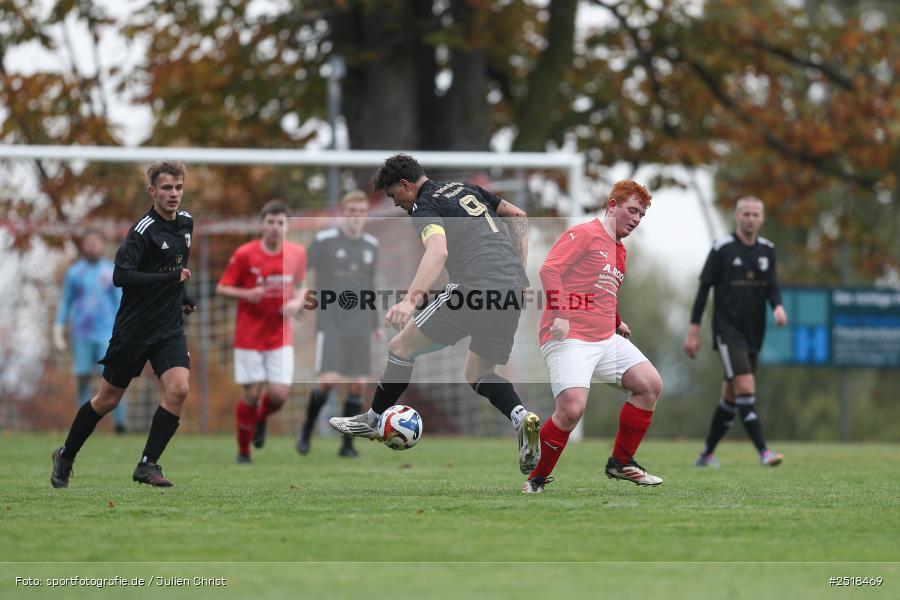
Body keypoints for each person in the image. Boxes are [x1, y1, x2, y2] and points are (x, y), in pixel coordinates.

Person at [329, 153, 541, 474]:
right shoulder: (464, 188)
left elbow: (437, 250)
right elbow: (518, 215)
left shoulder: (423, 206)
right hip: (511, 289)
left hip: (474, 286)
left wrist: (409, 301)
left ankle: (374, 419)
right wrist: (519, 273)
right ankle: (521, 416)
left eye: (393, 195)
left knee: (400, 347)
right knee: (478, 373)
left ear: (405, 185)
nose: (396, 204)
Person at [51, 161, 196, 488]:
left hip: (169, 327)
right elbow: (121, 276)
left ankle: (148, 464)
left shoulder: (186, 223)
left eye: (178, 187)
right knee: (107, 400)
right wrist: (169, 279)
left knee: (179, 388)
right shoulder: (142, 230)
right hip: (134, 329)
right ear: (152, 191)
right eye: (166, 188)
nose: (173, 194)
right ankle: (66, 454)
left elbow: (175, 265)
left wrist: (181, 294)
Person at [522, 180, 663, 493]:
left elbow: (601, 291)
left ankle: (622, 462)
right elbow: (550, 271)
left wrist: (616, 321)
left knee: (649, 385)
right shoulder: (584, 233)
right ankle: (535, 480)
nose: (636, 219)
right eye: (632, 210)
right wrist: (560, 314)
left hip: (604, 339)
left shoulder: (620, 251)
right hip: (568, 336)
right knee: (572, 409)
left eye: (641, 215)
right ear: (612, 205)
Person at [684, 196, 787, 468]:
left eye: (755, 214)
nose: (750, 218)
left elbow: (772, 285)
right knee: (745, 385)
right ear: (737, 216)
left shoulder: (767, 250)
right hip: (727, 332)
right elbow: (704, 289)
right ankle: (764, 452)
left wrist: (778, 307)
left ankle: (706, 454)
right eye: (746, 214)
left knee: (731, 397)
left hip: (754, 332)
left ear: (761, 218)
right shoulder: (722, 248)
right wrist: (693, 330)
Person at [217, 200, 307, 464]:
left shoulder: (297, 253)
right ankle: (243, 452)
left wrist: (296, 302)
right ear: (261, 225)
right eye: (270, 222)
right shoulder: (245, 254)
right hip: (249, 335)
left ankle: (259, 420)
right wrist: (246, 293)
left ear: (287, 227)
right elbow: (222, 288)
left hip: (280, 334)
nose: (275, 228)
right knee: (252, 393)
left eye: (280, 223)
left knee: (278, 395)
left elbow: (302, 285)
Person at [297, 190, 381, 458]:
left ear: (365, 215)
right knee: (328, 381)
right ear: (343, 214)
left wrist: (375, 323)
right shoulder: (324, 241)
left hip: (360, 324)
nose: (356, 217)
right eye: (351, 212)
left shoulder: (371, 245)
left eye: (361, 212)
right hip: (330, 321)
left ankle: (347, 443)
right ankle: (307, 429)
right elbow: (301, 270)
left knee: (357, 384)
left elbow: (369, 286)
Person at [54, 228, 127, 433]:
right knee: (83, 377)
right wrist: (59, 326)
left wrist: (122, 330)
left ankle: (120, 424)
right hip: (81, 335)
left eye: (96, 242)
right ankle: (83, 426)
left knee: (113, 378)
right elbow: (66, 302)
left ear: (102, 245)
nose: (92, 246)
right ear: (83, 246)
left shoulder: (111, 271)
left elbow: (120, 302)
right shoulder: (74, 272)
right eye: (89, 242)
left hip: (107, 335)